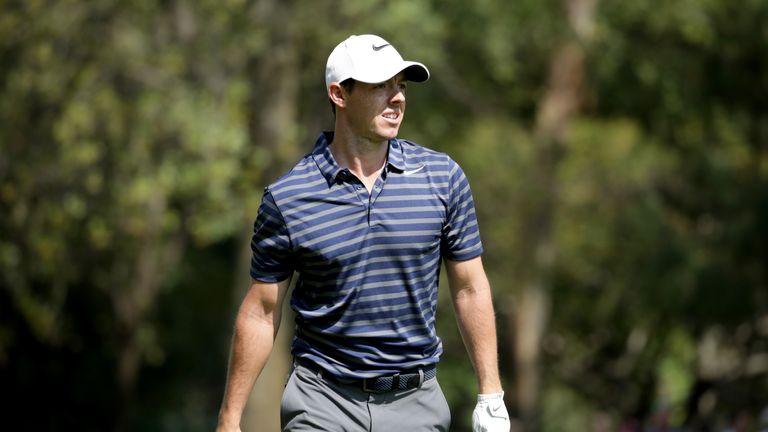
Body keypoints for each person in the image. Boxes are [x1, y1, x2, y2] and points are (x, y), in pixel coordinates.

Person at [217, 34, 511, 432]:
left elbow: (470, 288)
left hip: (416, 402)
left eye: (401, 86)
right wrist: (230, 418)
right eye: (380, 87)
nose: (397, 98)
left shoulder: (442, 179)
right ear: (339, 94)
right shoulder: (289, 198)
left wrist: (490, 395)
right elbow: (262, 311)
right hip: (322, 401)